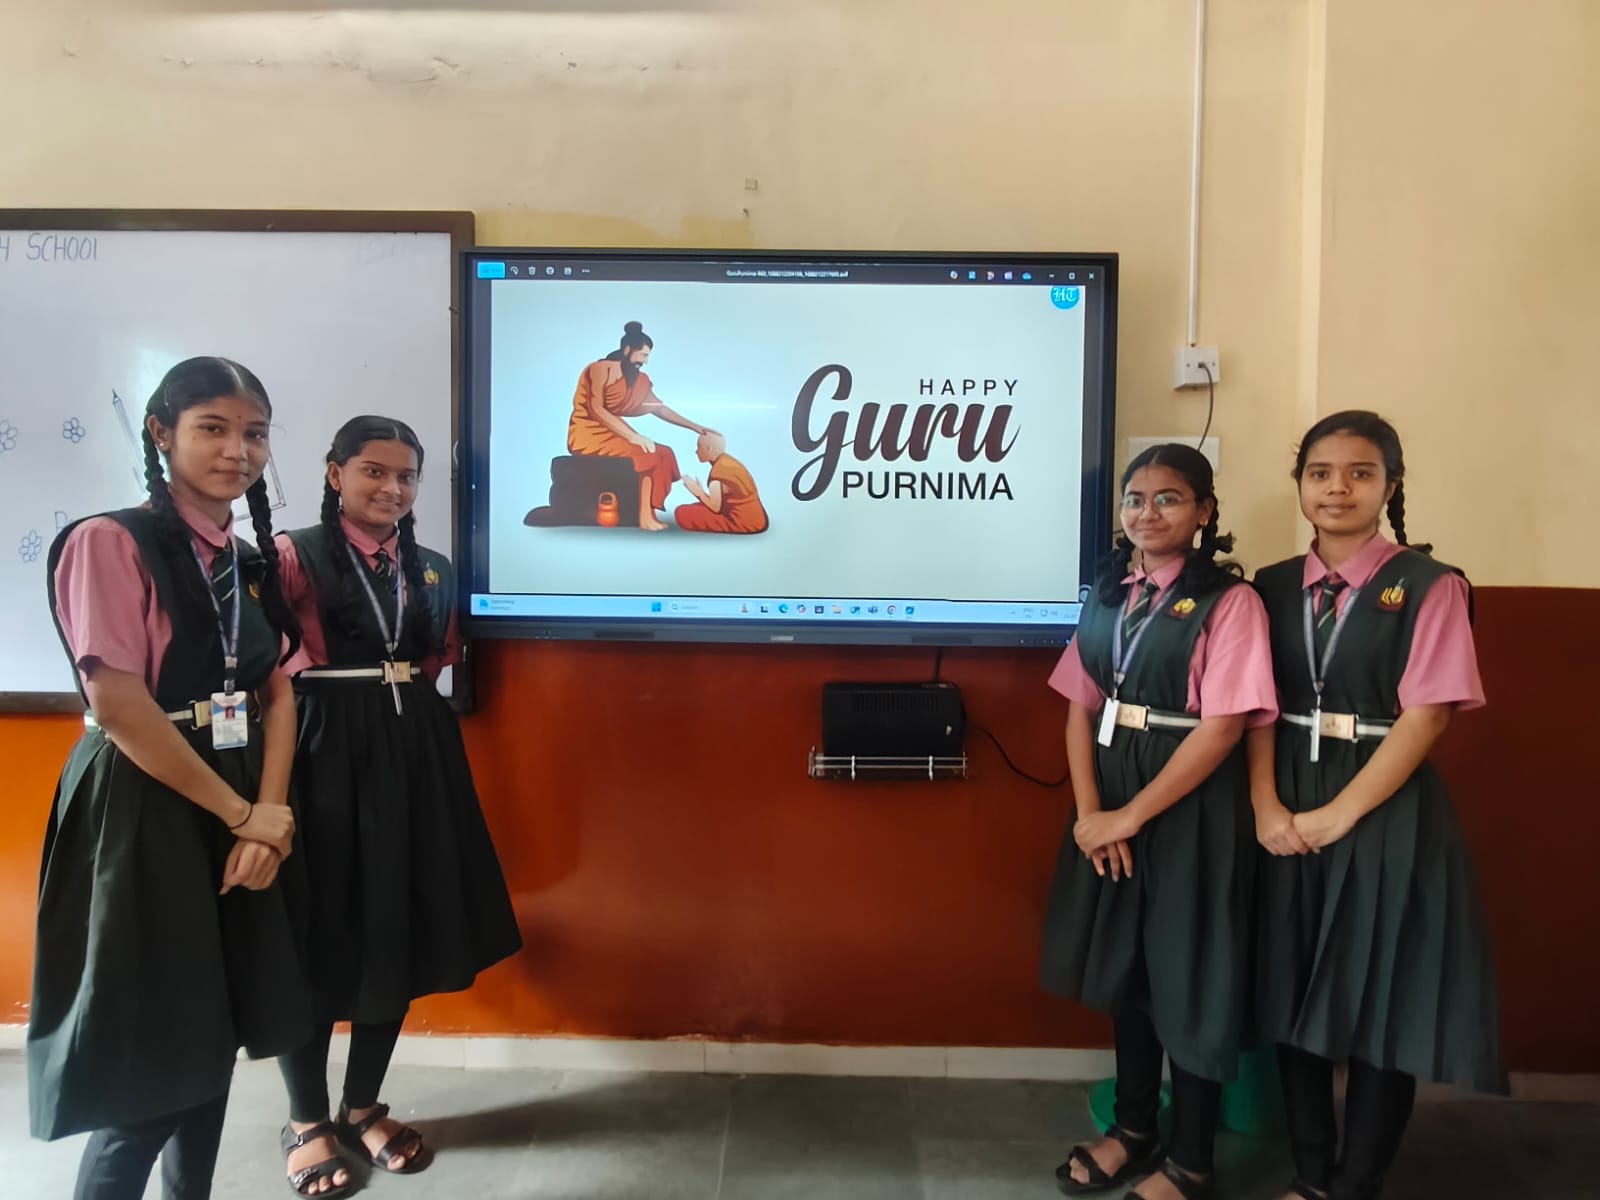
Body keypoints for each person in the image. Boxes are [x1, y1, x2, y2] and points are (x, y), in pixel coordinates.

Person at [31, 356, 309, 1199]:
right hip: (143, 799)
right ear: (161, 432)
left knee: (212, 1036)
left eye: (254, 433)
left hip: (236, 791)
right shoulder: (111, 541)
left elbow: (279, 691)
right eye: (212, 429)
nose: (237, 451)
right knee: (149, 1061)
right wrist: (241, 815)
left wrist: (269, 813)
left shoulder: (245, 559)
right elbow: (119, 705)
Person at [1251, 411, 1504, 1200]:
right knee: (1291, 992)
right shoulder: (1267, 586)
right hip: (1285, 801)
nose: (1338, 489)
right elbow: (1254, 707)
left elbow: (1428, 715)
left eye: (1360, 473)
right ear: (1300, 484)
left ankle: (1356, 1183)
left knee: (1379, 1005)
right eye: (1320, 473)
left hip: (1385, 809)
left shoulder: (1430, 585)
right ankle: (1309, 1175)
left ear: (1389, 485)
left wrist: (1341, 814)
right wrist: (1265, 806)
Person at [272, 415, 522, 1195]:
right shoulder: (291, 556)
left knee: (397, 925)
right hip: (319, 755)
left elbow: (437, 662)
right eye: (373, 471)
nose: (392, 488)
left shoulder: (435, 568)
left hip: (416, 755)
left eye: (406, 475)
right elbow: (260, 673)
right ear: (335, 473)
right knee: (318, 934)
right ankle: (307, 1119)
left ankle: (362, 1106)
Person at [1041, 444, 1275, 1200]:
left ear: (1204, 511)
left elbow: (1225, 726)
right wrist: (1091, 813)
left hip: (1188, 810)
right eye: (1134, 498)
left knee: (1191, 977)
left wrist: (1129, 817)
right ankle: (1135, 1129)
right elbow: (1080, 706)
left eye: (1168, 498)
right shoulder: (1110, 594)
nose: (1147, 513)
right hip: (1109, 800)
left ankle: (1191, 1162)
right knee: (1131, 972)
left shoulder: (1230, 603)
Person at [566, 321, 715, 530]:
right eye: (643, 355)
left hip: (614, 430)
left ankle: (651, 511)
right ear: (628, 350)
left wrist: (693, 426)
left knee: (664, 453)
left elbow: (658, 408)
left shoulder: (638, 379)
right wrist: (632, 437)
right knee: (647, 453)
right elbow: (596, 408)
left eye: (647, 357)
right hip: (587, 431)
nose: (645, 362)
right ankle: (645, 517)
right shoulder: (600, 369)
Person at [674, 431, 769, 533]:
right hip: (759, 518)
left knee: (681, 512)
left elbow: (715, 508)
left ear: (709, 449)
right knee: (695, 507)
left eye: (699, 447)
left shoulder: (718, 473)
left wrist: (699, 493)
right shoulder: (728, 461)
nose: (696, 452)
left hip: (741, 522)